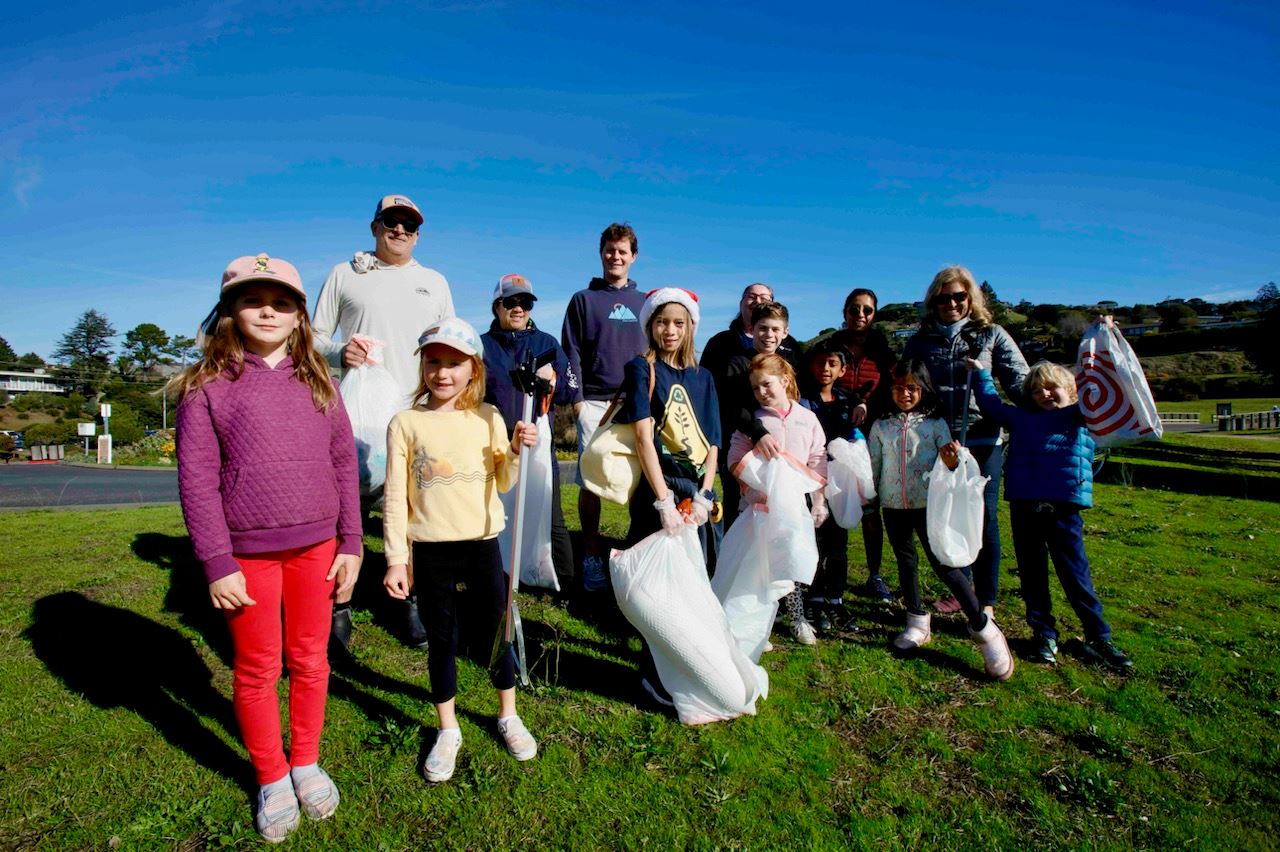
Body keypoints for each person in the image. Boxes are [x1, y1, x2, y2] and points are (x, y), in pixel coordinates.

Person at [174, 254, 362, 842]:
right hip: (246, 557)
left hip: (318, 548)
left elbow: (343, 466)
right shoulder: (205, 387)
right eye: (254, 300)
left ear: (301, 316)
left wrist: (352, 542)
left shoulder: (322, 382)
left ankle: (304, 761)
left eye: (282, 302)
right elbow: (197, 480)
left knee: (310, 659)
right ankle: (272, 776)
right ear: (229, 310)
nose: (268, 311)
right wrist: (216, 561)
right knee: (258, 669)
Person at [382, 317, 540, 783]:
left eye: (455, 363)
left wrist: (513, 448)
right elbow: (395, 495)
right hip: (430, 549)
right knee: (443, 639)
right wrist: (396, 557)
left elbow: (506, 480)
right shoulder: (406, 423)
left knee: (495, 632)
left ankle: (507, 714)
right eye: (434, 362)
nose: (443, 373)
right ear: (422, 366)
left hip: (483, 542)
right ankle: (448, 727)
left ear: (474, 369)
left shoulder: (488, 416)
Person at [312, 194, 455, 655]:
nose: (400, 232)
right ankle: (339, 604)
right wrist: (340, 352)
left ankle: (407, 597)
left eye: (409, 226)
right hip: (358, 414)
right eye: (391, 223)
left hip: (415, 410)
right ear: (374, 226)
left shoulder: (433, 282)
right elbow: (312, 338)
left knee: (414, 508)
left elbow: (449, 345)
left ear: (418, 234)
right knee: (346, 509)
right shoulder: (345, 274)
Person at [967, 352, 1133, 671]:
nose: (1044, 394)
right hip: (1025, 505)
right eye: (1036, 390)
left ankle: (1098, 635)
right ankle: (1043, 633)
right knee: (1032, 573)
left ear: (1070, 389)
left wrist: (1104, 342)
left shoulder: (1081, 414)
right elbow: (991, 404)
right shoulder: (1021, 419)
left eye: (1051, 387)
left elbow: (1107, 386)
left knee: (1074, 573)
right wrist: (980, 374)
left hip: (1063, 507)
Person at [867, 359, 1013, 681]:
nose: (904, 394)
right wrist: (870, 502)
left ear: (922, 390)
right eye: (898, 388)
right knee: (906, 562)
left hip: (929, 506)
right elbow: (872, 466)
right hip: (893, 506)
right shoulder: (881, 426)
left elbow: (949, 466)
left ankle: (983, 627)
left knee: (944, 563)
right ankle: (916, 619)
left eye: (911, 388)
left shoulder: (934, 424)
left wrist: (951, 461)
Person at [612, 288, 721, 704]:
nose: (670, 330)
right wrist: (662, 502)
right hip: (660, 489)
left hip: (698, 496)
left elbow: (712, 442)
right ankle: (653, 678)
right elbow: (642, 434)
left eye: (679, 322)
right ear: (649, 326)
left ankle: (685, 666)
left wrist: (707, 495)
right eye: (662, 322)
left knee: (695, 583)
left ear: (691, 326)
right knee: (656, 589)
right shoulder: (641, 368)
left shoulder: (704, 376)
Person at [901, 266, 1028, 617]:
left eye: (959, 296)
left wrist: (1048, 402)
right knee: (944, 513)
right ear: (933, 301)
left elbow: (1020, 381)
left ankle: (986, 599)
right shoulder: (920, 340)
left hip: (983, 437)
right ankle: (963, 588)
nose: (951, 304)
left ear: (970, 298)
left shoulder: (992, 335)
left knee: (983, 515)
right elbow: (906, 383)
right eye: (943, 298)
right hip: (938, 438)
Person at [560, 223, 649, 592]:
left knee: (642, 480)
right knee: (591, 481)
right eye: (610, 250)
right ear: (601, 254)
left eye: (623, 251)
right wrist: (577, 401)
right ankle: (592, 552)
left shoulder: (646, 302)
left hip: (637, 402)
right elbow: (571, 351)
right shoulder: (583, 299)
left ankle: (636, 553)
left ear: (633, 256)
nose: (616, 257)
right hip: (595, 402)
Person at [480, 274, 581, 595]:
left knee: (550, 517)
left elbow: (568, 389)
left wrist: (552, 379)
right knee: (491, 514)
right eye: (511, 302)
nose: (519, 308)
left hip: (537, 442)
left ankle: (564, 584)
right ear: (497, 306)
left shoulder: (547, 344)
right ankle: (496, 579)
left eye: (525, 302)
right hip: (495, 443)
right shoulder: (481, 345)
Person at [728, 353, 828, 645]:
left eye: (767, 385)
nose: (761, 393)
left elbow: (818, 458)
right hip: (758, 508)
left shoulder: (807, 419)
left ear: (785, 381)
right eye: (756, 388)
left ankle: (797, 618)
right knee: (759, 565)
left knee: (791, 560)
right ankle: (761, 624)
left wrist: (819, 501)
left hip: (794, 508)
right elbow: (734, 459)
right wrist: (752, 491)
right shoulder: (753, 421)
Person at [822, 288, 896, 602]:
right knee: (830, 503)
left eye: (866, 310)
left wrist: (868, 405)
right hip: (834, 434)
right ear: (845, 312)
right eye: (854, 310)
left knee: (870, 507)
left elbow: (893, 387)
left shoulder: (883, 350)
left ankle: (874, 574)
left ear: (874, 314)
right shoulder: (831, 346)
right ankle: (827, 571)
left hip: (870, 437)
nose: (860, 316)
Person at [713, 301, 800, 532]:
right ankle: (731, 564)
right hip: (742, 449)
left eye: (775, 329)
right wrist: (757, 433)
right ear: (752, 328)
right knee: (739, 508)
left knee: (780, 509)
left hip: (781, 451)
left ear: (785, 332)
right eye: (763, 328)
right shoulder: (737, 363)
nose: (769, 335)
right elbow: (730, 405)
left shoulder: (788, 365)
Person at [799, 339, 862, 630]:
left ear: (842, 370)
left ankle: (835, 597)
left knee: (838, 541)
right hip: (810, 478)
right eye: (820, 362)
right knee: (813, 540)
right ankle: (812, 597)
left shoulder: (848, 402)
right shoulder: (801, 400)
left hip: (840, 481)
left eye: (832, 364)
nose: (825, 368)